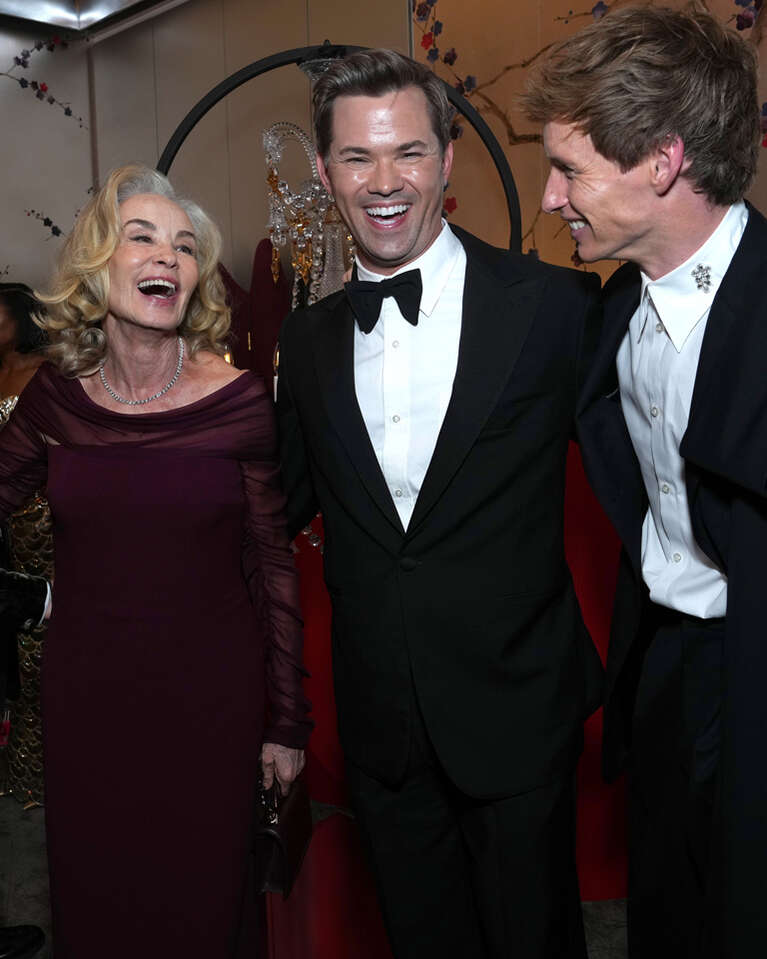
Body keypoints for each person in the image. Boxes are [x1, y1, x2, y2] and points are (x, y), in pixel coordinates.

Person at [276, 48, 603, 959]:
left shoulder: (555, 307)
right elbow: (271, 507)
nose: (384, 183)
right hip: (383, 727)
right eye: (356, 157)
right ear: (321, 168)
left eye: (408, 153)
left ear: (447, 159)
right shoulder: (305, 342)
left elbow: (653, 473)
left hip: (517, 713)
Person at [0, 164, 311, 959]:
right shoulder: (57, 402)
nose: (165, 257)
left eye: (182, 246)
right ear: (99, 261)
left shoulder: (238, 399)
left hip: (212, 700)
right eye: (141, 237)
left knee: (207, 905)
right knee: (101, 903)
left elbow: (272, 566)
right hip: (88, 702)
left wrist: (285, 721)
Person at [522, 6, 764, 957]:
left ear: (661, 163)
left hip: (750, 669)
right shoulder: (613, 310)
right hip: (661, 663)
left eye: (570, 170)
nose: (549, 198)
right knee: (665, 907)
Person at [0, 283, 50, 806]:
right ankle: (24, 760)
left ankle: (50, 763)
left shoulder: (48, 373)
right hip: (5, 521)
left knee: (41, 635)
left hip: (44, 519)